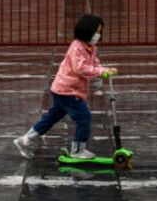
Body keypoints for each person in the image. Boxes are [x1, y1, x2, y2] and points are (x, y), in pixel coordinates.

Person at [14, 14, 116, 160]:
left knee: (52, 117)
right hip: (68, 90)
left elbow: (94, 64)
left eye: (100, 32)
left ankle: (25, 140)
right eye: (96, 31)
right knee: (83, 117)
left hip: (63, 89)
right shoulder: (77, 47)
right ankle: (78, 149)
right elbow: (80, 68)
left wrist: (103, 70)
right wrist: (101, 72)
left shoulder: (90, 47)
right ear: (87, 30)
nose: (98, 35)